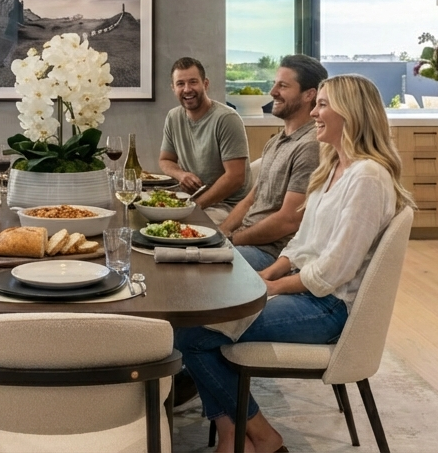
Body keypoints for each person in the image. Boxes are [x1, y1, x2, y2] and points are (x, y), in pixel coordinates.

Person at [175, 74, 413, 453]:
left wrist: (271, 287)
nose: (314, 113)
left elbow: (334, 271)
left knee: (192, 335)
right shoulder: (333, 167)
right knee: (194, 319)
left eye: (323, 105)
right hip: (307, 294)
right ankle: (234, 434)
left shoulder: (368, 177)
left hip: (328, 308)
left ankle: (261, 437)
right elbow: (303, 243)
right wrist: (266, 274)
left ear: (350, 113)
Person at [218, 55, 327, 271]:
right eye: (275, 84)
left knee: (196, 269)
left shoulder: (310, 146)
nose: (273, 92)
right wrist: (220, 235)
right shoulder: (276, 141)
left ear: (309, 94)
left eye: (283, 86)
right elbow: (251, 200)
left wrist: (232, 240)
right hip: (245, 242)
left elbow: (289, 220)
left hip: (271, 253)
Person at [158, 56, 253, 223]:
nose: (187, 89)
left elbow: (236, 177)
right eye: (180, 84)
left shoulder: (227, 119)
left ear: (205, 84)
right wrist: (181, 175)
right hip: (193, 200)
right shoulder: (173, 117)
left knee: (178, 227)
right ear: (173, 88)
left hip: (228, 206)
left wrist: (195, 206)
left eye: (193, 82)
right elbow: (165, 160)